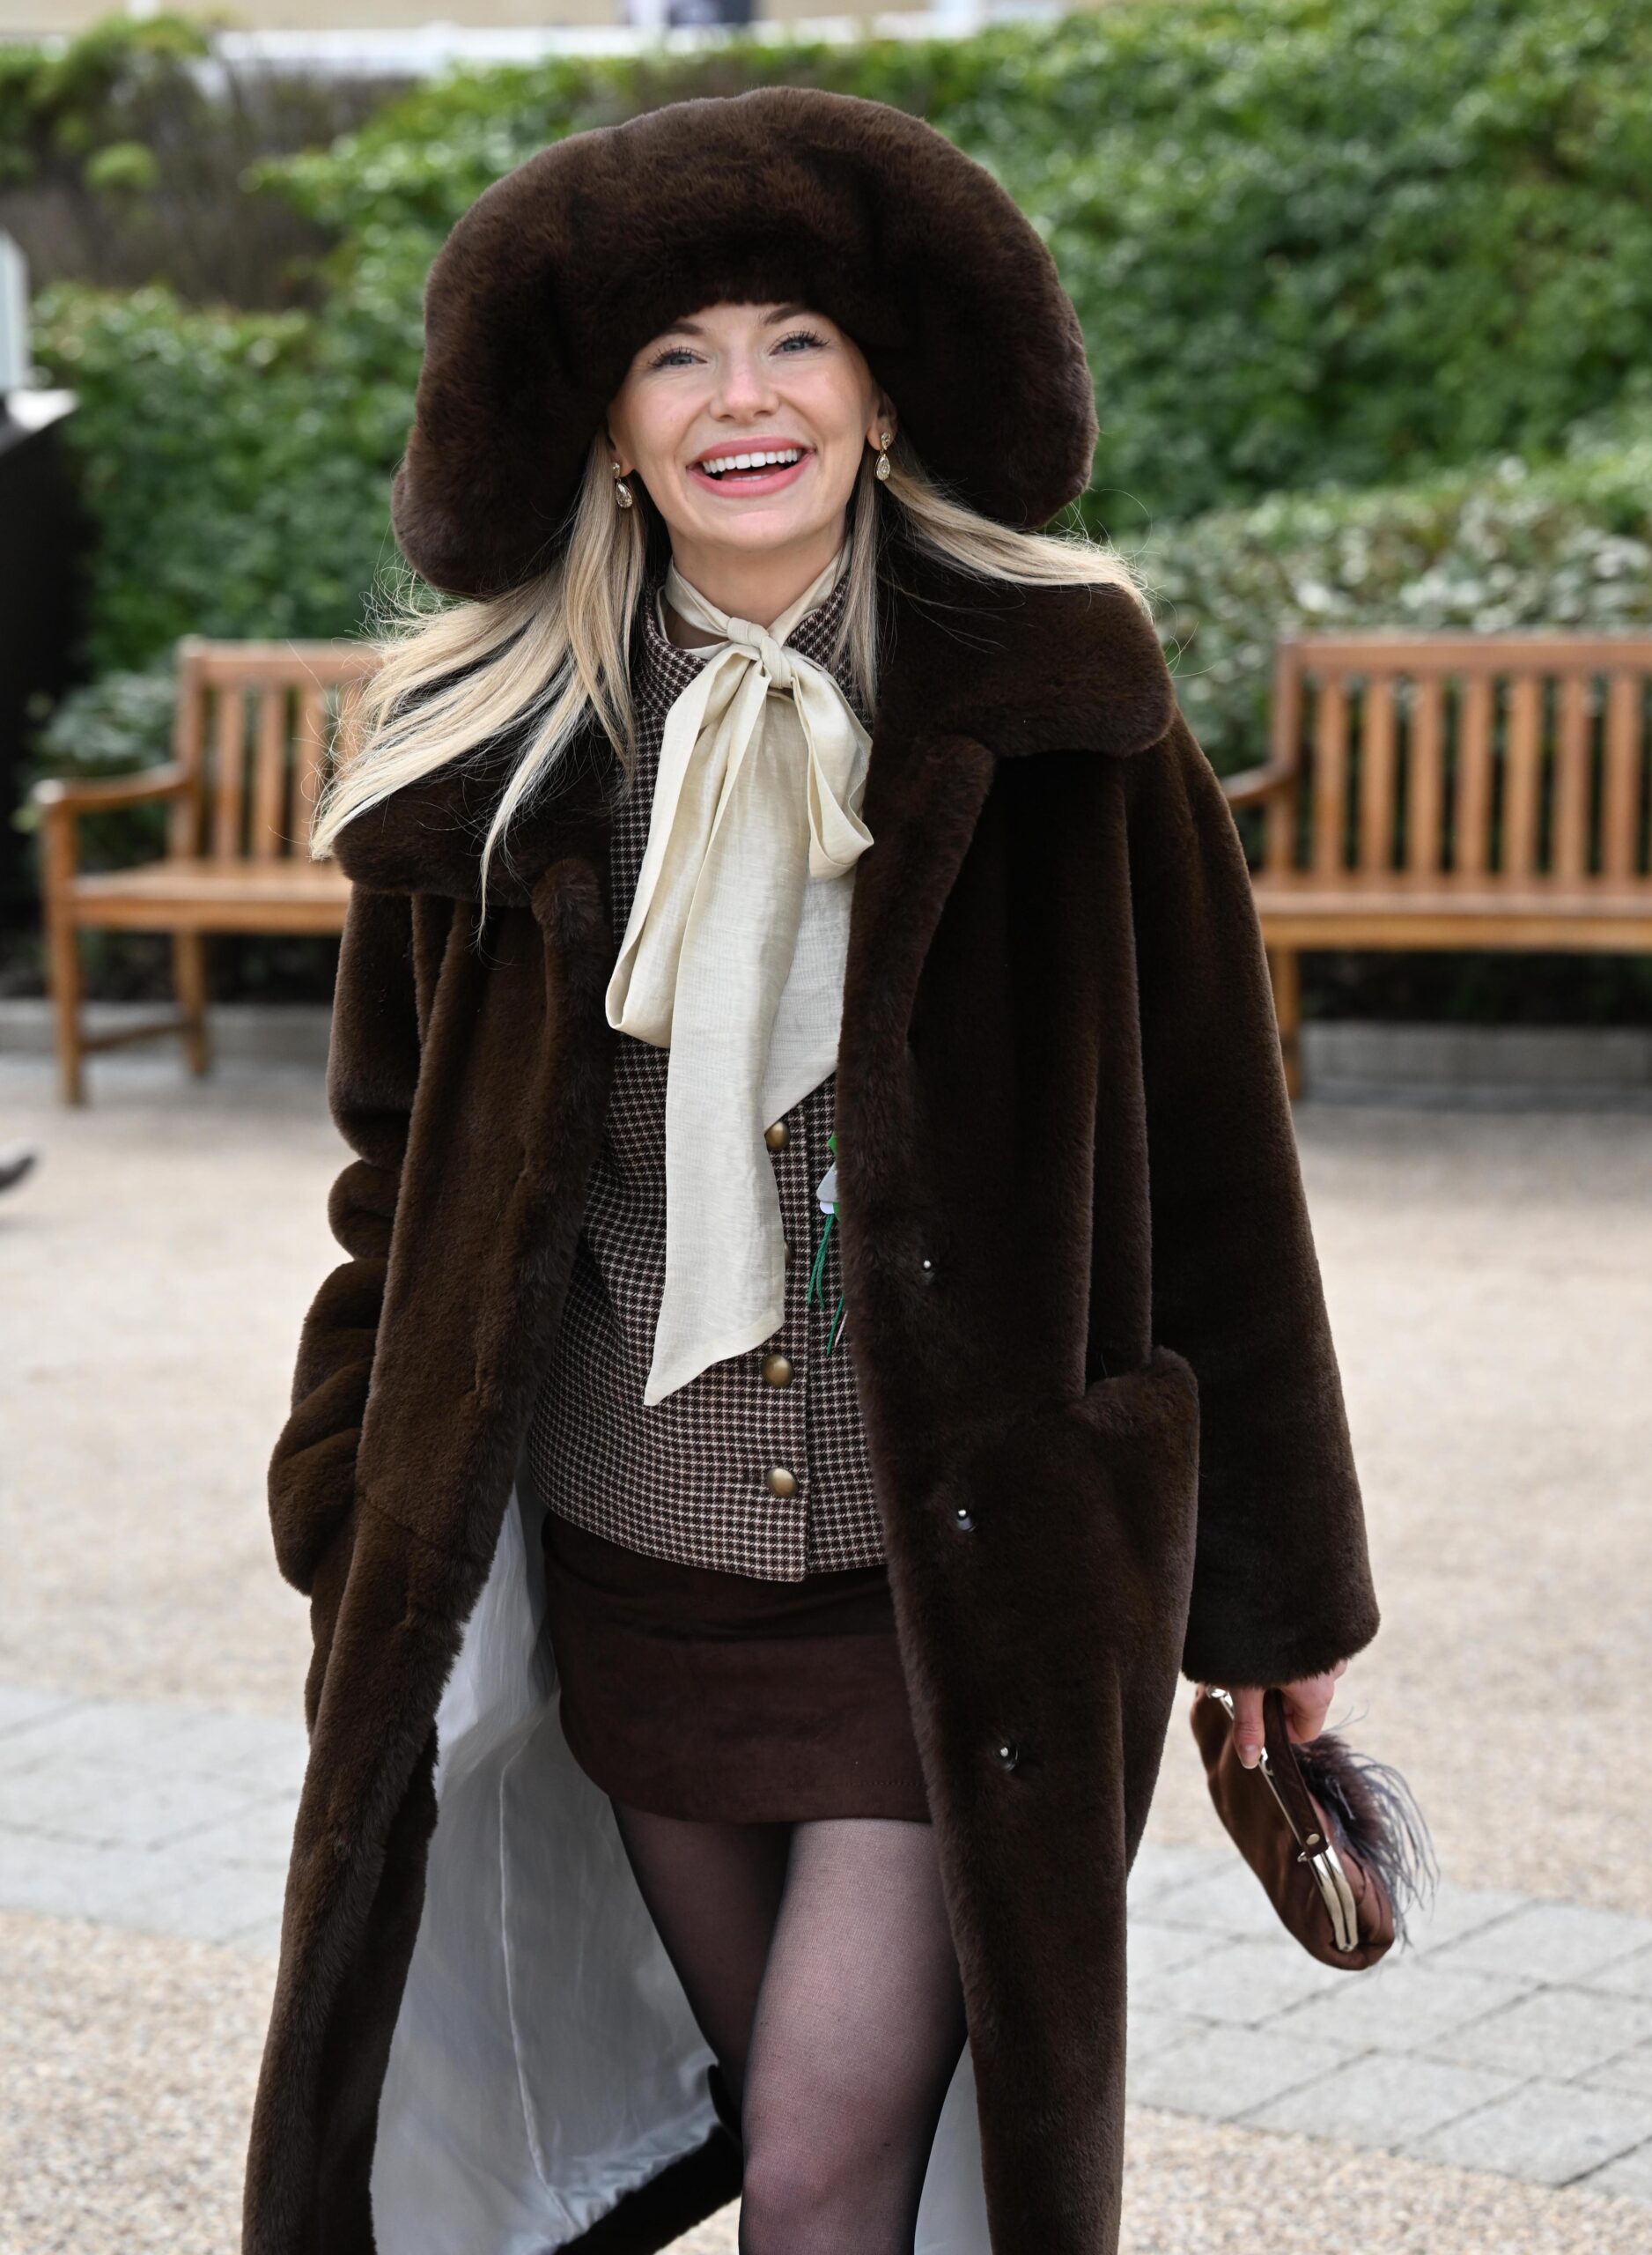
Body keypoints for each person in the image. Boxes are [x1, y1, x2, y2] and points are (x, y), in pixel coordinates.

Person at [243, 88, 1380, 2255]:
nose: (737, 396)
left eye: (793, 340)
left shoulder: (1065, 704)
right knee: (791, 2145)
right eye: (675, 355)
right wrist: (343, 1497)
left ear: (877, 393)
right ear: (604, 427)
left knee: (835, 2163)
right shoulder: (481, 763)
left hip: (951, 1580)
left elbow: (1220, 1166)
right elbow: (399, 1179)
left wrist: (1277, 1589)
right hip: (632, 1568)